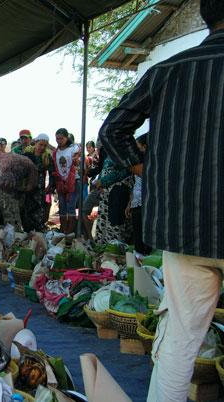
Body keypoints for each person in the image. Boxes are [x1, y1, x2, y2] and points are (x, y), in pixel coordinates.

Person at [99, 2, 224, 399]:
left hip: (183, 229)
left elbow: (112, 129)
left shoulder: (167, 70)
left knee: (178, 342)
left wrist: (143, 170)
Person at [0, 153, 38, 232]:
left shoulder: (10, 155)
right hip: (6, 186)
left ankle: (6, 233)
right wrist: (20, 188)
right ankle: (14, 235)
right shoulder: (32, 166)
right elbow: (29, 187)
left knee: (4, 211)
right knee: (11, 213)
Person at [93, 156, 133, 245]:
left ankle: (115, 250)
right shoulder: (110, 152)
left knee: (115, 224)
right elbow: (104, 169)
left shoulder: (124, 153)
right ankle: (104, 249)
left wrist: (103, 181)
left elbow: (125, 171)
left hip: (117, 192)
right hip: (106, 193)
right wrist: (100, 182)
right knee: (105, 223)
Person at [126, 134, 151, 256]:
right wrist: (130, 203)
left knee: (144, 237)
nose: (136, 150)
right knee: (137, 235)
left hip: (146, 203)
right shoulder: (139, 163)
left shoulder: (151, 164)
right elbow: (135, 185)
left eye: (138, 147)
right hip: (137, 202)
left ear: (145, 147)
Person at [23, 133, 54, 231]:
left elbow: (52, 172)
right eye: (40, 144)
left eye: (45, 145)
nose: (42, 147)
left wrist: (50, 185)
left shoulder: (46, 157)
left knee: (39, 207)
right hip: (27, 186)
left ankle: (38, 228)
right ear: (35, 143)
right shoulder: (27, 154)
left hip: (40, 187)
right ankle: (27, 229)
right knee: (27, 207)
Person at [52, 128, 81, 234]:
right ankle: (63, 232)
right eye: (57, 138)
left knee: (70, 207)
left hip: (73, 181)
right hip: (61, 183)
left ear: (66, 138)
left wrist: (77, 160)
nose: (59, 141)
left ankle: (69, 233)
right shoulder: (56, 152)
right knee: (62, 208)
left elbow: (78, 161)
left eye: (61, 138)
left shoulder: (74, 148)